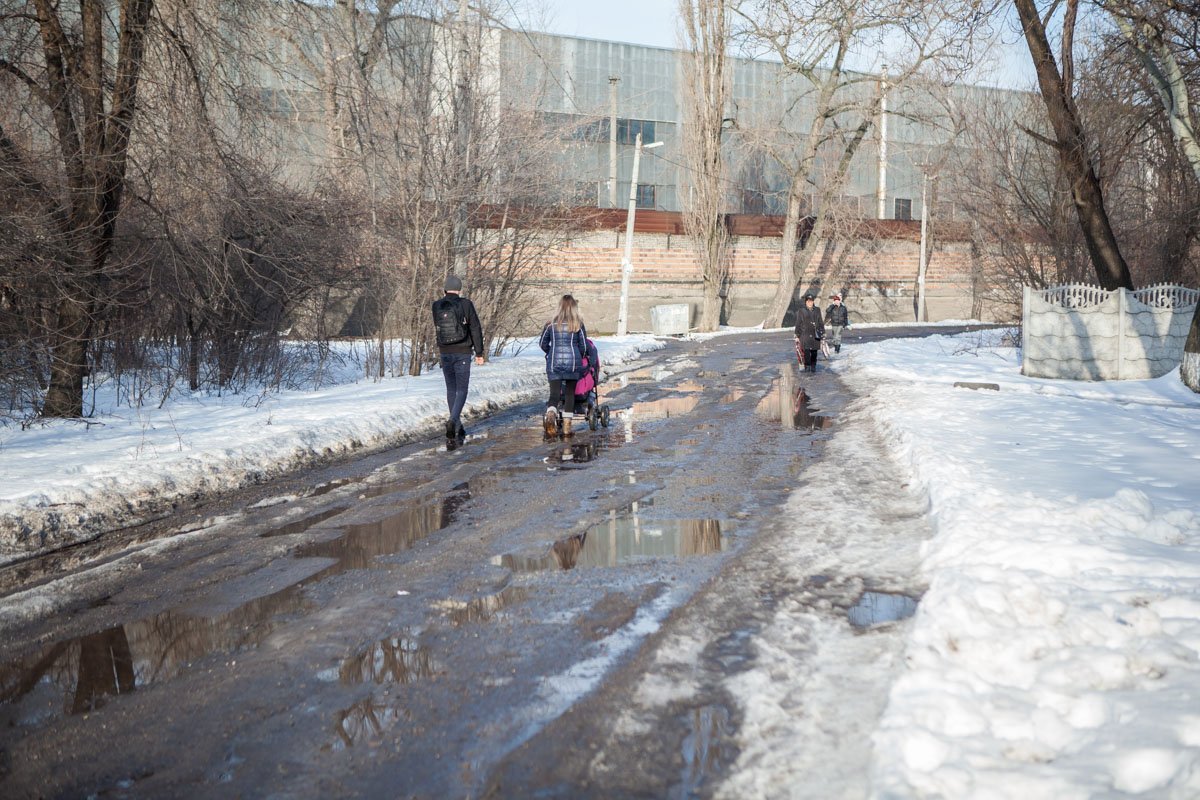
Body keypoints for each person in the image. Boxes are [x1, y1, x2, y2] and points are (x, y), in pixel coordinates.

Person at [431, 275, 484, 440]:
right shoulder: (466, 304)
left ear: (444, 289)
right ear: (459, 289)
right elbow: (475, 328)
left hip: (444, 351)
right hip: (463, 351)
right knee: (462, 389)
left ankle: (458, 425)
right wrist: (480, 352)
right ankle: (453, 420)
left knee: (451, 389)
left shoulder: (436, 305)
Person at [539, 294, 589, 435]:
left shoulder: (550, 324)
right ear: (574, 308)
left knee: (554, 394)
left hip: (554, 363)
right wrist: (582, 355)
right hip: (572, 363)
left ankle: (551, 412)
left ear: (559, 306)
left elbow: (542, 343)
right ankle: (567, 426)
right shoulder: (578, 324)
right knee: (569, 394)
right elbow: (584, 346)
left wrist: (551, 352)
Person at [794, 292, 825, 373]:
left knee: (814, 352)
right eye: (808, 301)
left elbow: (821, 322)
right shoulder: (801, 311)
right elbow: (798, 323)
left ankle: (813, 365)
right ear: (806, 302)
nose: (810, 302)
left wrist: (823, 332)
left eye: (811, 301)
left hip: (815, 334)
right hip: (805, 334)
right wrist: (797, 335)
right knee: (806, 352)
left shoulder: (817, 310)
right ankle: (807, 367)